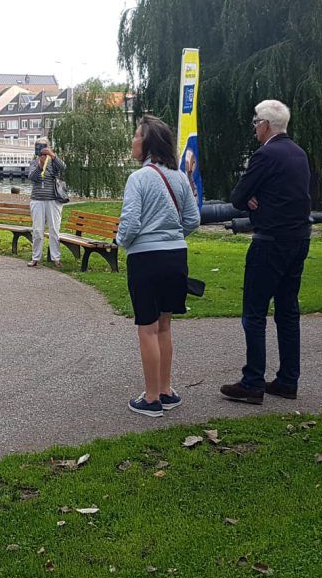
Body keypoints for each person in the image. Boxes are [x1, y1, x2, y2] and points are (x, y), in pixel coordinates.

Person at [221, 99, 312, 405]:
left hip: (270, 241)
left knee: (255, 312)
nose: (255, 129)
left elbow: (237, 196)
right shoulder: (299, 154)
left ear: (266, 125)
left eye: (256, 123)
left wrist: (252, 198)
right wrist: (256, 197)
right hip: (298, 239)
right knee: (288, 311)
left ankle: (252, 381)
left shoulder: (265, 154)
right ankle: (288, 380)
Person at [116, 115, 200, 417]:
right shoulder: (178, 177)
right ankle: (166, 390)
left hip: (146, 259)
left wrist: (121, 242)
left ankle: (151, 399)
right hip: (176, 256)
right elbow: (192, 220)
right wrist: (171, 236)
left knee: (147, 328)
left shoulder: (138, 178)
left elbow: (131, 222)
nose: (133, 141)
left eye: (136, 136)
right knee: (164, 325)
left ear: (147, 143)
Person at [26, 136, 66, 267]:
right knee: (37, 231)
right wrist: (40, 165)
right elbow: (32, 177)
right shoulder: (34, 163)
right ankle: (35, 257)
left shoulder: (53, 162)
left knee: (54, 229)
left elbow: (63, 167)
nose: (41, 151)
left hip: (53, 200)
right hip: (37, 200)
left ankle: (56, 258)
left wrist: (52, 156)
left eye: (43, 147)